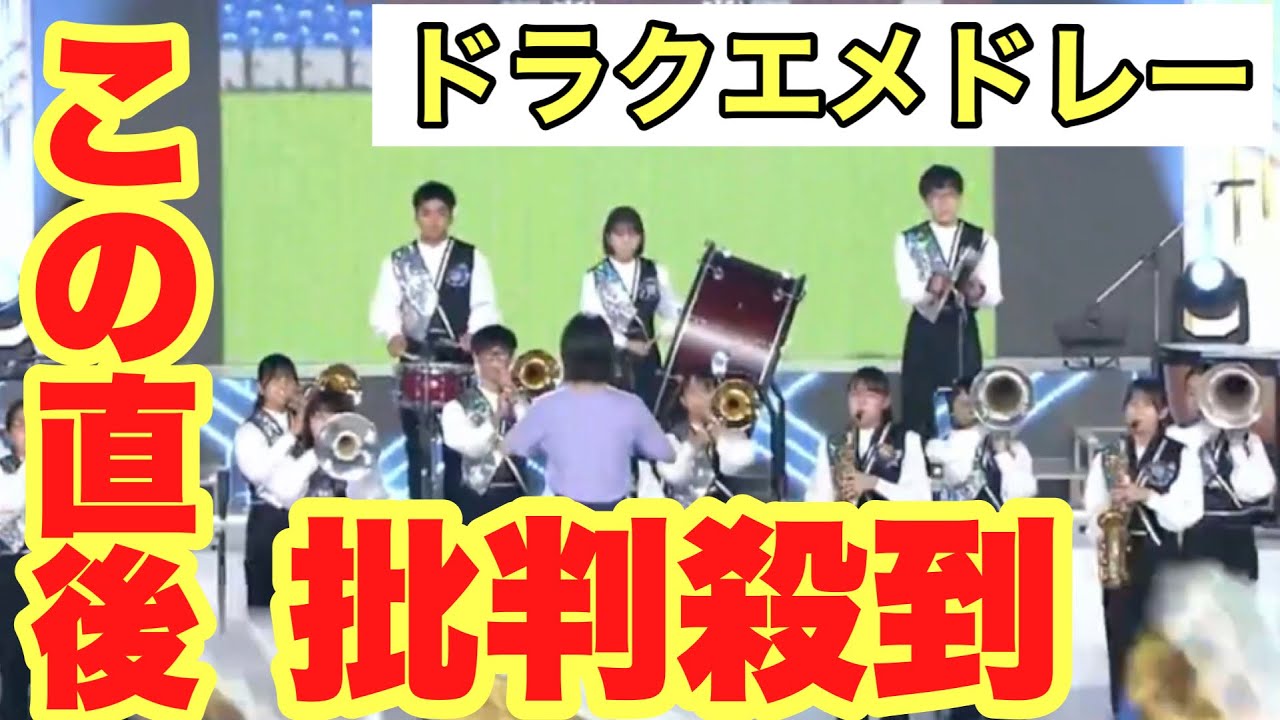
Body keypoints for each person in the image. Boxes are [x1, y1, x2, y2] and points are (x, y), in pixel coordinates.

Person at [368, 180, 502, 500]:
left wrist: (475, 334)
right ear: (416, 216)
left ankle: (458, 514)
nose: (433, 220)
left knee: (459, 447)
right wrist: (392, 333)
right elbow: (385, 304)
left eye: (441, 213)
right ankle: (421, 516)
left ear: (451, 216)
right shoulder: (399, 261)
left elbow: (485, 304)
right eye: (426, 213)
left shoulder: (472, 258)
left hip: (459, 363)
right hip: (416, 361)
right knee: (416, 449)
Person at [1082, 376, 1204, 716]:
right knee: (1121, 645)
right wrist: (1108, 517)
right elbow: (1092, 509)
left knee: (1160, 643)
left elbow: (1190, 512)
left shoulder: (1180, 455)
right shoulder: (1110, 455)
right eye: (1131, 405)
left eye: (1145, 405)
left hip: (1161, 558)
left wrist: (1147, 496)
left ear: (1162, 412)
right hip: (1119, 560)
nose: (1135, 412)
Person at [504, 314, 675, 510]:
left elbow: (510, 447)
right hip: (613, 518)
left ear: (566, 357)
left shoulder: (546, 405)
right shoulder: (631, 405)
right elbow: (666, 453)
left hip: (566, 518)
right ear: (609, 358)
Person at [894, 165, 1003, 441]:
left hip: (963, 328)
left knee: (967, 401)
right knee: (918, 402)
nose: (944, 203)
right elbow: (908, 291)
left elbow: (993, 294)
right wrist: (929, 289)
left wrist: (977, 291)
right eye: (936, 196)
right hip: (925, 328)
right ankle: (919, 455)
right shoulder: (910, 240)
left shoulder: (981, 239)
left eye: (950, 195)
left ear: (960, 198)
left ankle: (966, 457)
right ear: (926, 201)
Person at [1170, 364, 1276, 582]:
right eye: (1192, 393)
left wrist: (1236, 445)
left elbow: (1259, 489)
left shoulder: (1247, 440)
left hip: (1239, 537)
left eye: (1203, 392)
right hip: (1197, 535)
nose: (1198, 400)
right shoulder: (1177, 437)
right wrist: (1208, 429)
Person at [579, 206, 682, 412]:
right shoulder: (595, 277)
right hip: (612, 366)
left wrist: (673, 325)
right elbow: (593, 325)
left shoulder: (656, 272)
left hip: (648, 364)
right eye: (619, 234)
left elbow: (671, 310)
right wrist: (626, 344)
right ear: (609, 238)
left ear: (640, 238)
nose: (626, 240)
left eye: (632, 233)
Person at [440, 324, 530, 523]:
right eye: (493, 357)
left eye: (505, 356)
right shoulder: (455, 408)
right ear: (477, 359)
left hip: (516, 496)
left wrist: (516, 401)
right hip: (474, 500)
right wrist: (497, 417)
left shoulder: (521, 403)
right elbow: (473, 447)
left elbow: (533, 443)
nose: (500, 364)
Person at [234, 354, 302, 608]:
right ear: (261, 388)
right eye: (276, 381)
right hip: (269, 521)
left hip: (307, 520)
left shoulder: (305, 420)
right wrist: (291, 437)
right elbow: (257, 471)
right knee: (266, 604)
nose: (284, 387)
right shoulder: (249, 430)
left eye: (289, 380)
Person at [807, 367, 931, 506]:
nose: (861, 402)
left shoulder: (907, 440)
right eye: (855, 395)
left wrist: (875, 483)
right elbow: (818, 499)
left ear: (886, 401)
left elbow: (921, 500)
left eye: (870, 395)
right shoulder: (832, 444)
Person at [637, 373, 756, 506]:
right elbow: (674, 476)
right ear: (684, 398)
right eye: (707, 387)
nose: (716, 395)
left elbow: (740, 465)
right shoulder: (671, 436)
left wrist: (722, 437)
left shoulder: (730, 435)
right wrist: (693, 445)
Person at [925, 375, 1037, 508]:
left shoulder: (1014, 449)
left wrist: (1002, 455)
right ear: (951, 407)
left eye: (975, 403)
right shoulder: (937, 448)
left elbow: (1020, 495)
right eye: (965, 403)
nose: (970, 408)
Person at [0, 399, 29, 719]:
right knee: (13, 651)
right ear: (8, 433)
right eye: (20, 425)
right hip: (12, 569)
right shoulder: (4, 472)